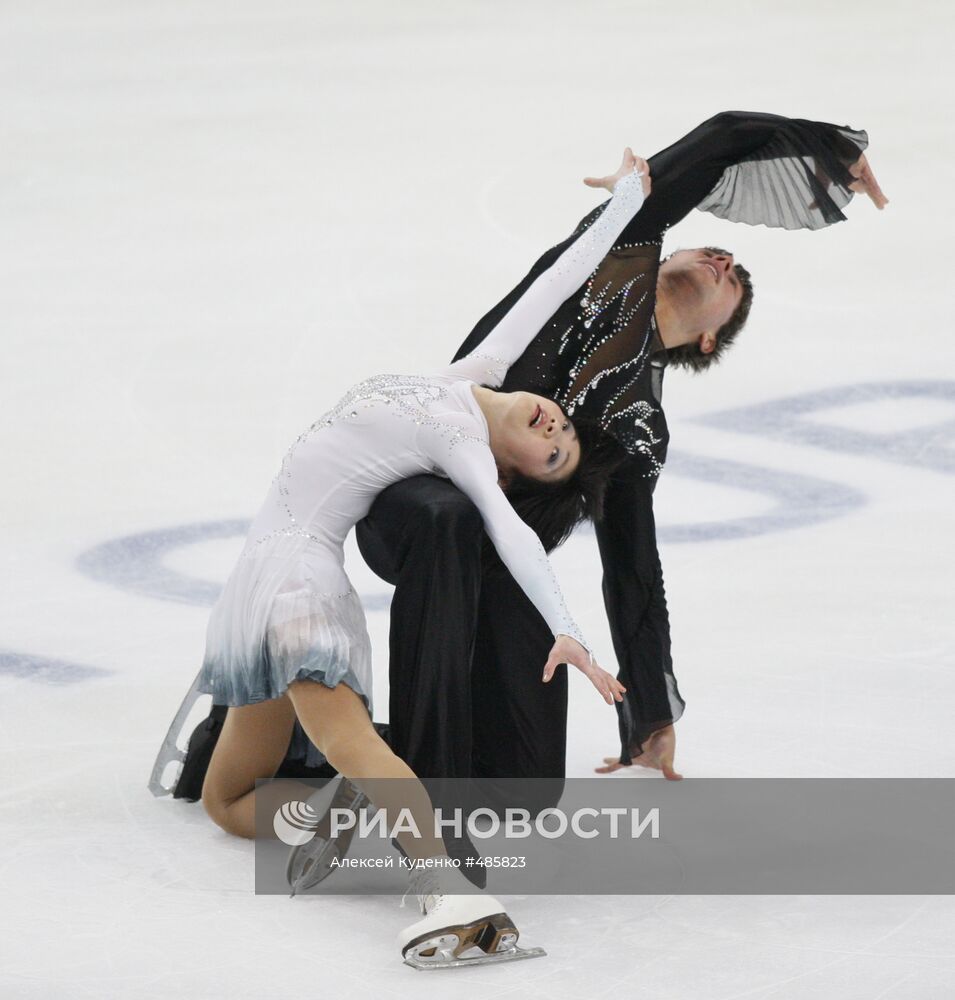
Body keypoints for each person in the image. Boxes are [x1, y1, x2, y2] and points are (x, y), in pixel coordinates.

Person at [184, 156, 651, 968]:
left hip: (296, 585)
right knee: (227, 801)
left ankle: (450, 891)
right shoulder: (467, 382)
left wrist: (566, 628)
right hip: (256, 584)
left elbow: (508, 533)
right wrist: (626, 203)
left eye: (552, 455)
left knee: (353, 744)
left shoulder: (462, 446)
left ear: (505, 471)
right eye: (561, 432)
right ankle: (349, 806)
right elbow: (552, 285)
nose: (552, 430)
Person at [353, 111, 887, 794]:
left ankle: (313, 743)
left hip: (498, 569)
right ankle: (413, 804)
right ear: (657, 256)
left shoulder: (636, 427)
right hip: (415, 508)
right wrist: (825, 147)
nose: (722, 262)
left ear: (709, 342)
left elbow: (632, 565)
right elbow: (716, 138)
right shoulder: (592, 273)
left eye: (735, 282)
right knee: (453, 518)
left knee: (525, 786)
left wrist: (649, 712)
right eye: (712, 253)